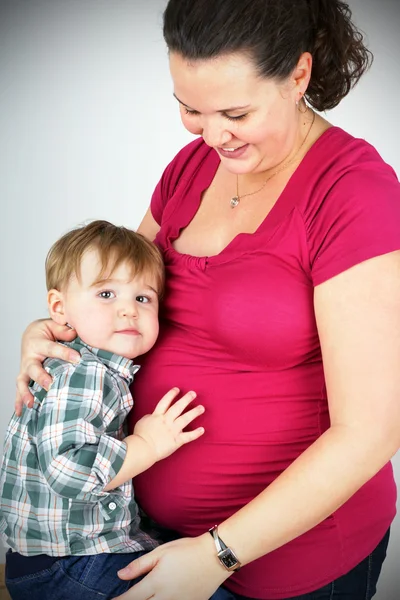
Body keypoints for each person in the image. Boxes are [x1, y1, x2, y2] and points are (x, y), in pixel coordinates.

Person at [13, 0, 400, 599]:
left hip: (287, 561)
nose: (211, 134)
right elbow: (115, 291)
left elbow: (371, 431)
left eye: (235, 112)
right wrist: (50, 332)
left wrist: (217, 554)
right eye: (190, 109)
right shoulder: (193, 167)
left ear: (298, 77)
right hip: (141, 532)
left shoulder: (354, 194)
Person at [0, 220, 206, 600]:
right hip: (70, 564)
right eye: (107, 294)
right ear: (59, 307)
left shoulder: (94, 367)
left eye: (143, 299)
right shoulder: (86, 374)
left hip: (59, 560)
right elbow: (69, 472)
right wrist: (147, 444)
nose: (128, 311)